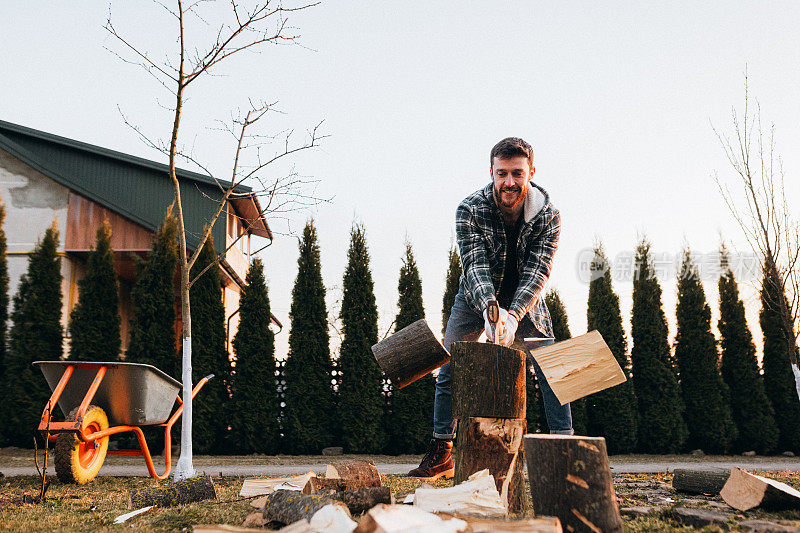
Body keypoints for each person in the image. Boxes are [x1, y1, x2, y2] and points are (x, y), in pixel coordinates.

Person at [408, 137, 572, 480]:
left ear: (531, 172)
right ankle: (442, 450)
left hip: (526, 302)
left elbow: (538, 271)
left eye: (517, 173)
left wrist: (513, 315)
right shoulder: (469, 209)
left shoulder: (549, 215)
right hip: (474, 298)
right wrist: (490, 309)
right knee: (451, 365)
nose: (509, 182)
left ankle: (565, 447)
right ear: (492, 172)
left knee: (553, 368)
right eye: (502, 174)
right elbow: (475, 265)